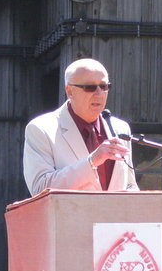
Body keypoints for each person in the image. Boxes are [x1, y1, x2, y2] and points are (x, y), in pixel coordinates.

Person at [22, 58, 138, 195]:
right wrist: (92, 162)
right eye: (90, 87)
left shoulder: (120, 129)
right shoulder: (41, 129)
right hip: (69, 216)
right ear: (69, 91)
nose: (99, 94)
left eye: (104, 86)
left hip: (115, 216)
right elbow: (40, 189)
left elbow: (130, 184)